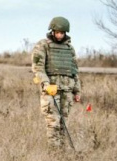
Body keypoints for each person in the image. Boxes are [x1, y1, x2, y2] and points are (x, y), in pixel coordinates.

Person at [32, 16, 81, 150]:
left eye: (62, 33)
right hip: (50, 91)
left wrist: (77, 91)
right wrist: (46, 84)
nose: (59, 35)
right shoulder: (43, 46)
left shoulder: (69, 49)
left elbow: (74, 71)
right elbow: (38, 68)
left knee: (63, 123)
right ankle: (55, 154)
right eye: (57, 32)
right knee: (53, 123)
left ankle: (62, 152)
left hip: (67, 90)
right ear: (52, 31)